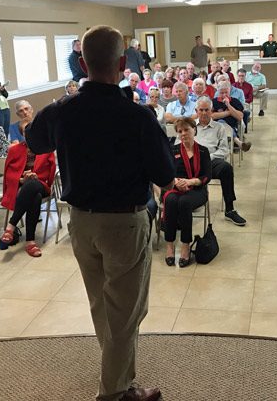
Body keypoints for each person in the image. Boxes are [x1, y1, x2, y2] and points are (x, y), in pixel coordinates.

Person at [26, 25, 175, 401]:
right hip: (123, 223)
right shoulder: (138, 116)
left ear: (81, 62)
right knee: (125, 314)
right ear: (123, 63)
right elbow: (165, 175)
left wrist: (64, 104)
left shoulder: (63, 110)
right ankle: (113, 394)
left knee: (103, 307)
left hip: (81, 223)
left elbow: (35, 139)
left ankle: (122, 383)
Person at [0, 120, 56, 258]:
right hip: (21, 186)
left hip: (41, 183)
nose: (30, 134)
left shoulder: (46, 149)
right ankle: (30, 241)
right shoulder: (14, 149)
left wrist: (36, 176)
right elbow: (8, 173)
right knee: (34, 196)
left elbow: (51, 173)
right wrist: (21, 179)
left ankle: (11, 226)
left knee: (33, 184)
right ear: (22, 133)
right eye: (26, 131)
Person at [163, 117, 212, 267]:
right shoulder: (173, 150)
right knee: (170, 200)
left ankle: (185, 244)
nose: (183, 133)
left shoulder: (203, 151)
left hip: (197, 189)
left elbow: (207, 176)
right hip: (177, 188)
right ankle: (170, 245)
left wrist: (190, 182)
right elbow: (168, 172)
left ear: (194, 130)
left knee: (184, 202)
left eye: (186, 130)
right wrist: (177, 182)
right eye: (180, 131)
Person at [194, 97, 247, 226]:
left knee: (226, 168)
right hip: (191, 161)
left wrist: (208, 157)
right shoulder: (190, 127)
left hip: (211, 160)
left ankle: (230, 209)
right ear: (196, 111)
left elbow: (224, 150)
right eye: (201, 110)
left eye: (207, 110)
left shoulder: (219, 127)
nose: (204, 113)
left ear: (211, 110)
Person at [212, 81, 251, 152]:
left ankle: (234, 141)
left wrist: (228, 105)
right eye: (221, 93)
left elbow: (240, 117)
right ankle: (238, 142)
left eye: (226, 92)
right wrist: (229, 112)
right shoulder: (213, 102)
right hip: (215, 129)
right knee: (221, 122)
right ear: (218, 92)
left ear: (229, 91)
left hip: (232, 127)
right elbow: (212, 116)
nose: (224, 95)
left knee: (222, 122)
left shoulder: (235, 101)